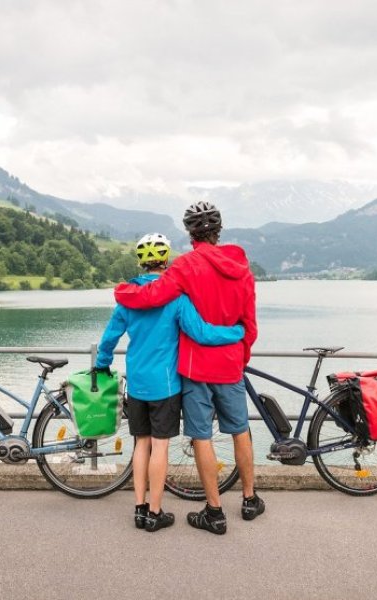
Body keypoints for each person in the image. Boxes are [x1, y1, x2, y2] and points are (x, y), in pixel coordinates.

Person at [114, 201, 261, 536]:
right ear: (218, 231)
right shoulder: (241, 267)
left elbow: (151, 297)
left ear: (191, 232)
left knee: (201, 437)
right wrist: (240, 354)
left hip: (196, 368)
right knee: (240, 430)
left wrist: (122, 291)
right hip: (230, 365)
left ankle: (214, 512)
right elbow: (250, 324)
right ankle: (250, 499)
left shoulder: (185, 266)